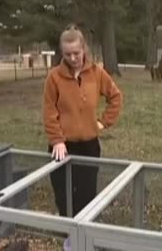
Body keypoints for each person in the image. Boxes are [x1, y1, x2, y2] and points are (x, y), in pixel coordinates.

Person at [42, 24, 123, 219]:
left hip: (89, 146)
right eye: (68, 54)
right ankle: (69, 239)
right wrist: (57, 140)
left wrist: (103, 122)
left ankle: (85, 238)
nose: (72, 58)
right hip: (62, 147)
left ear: (84, 49)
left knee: (86, 197)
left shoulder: (96, 73)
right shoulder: (54, 78)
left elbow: (116, 97)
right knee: (64, 197)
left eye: (76, 53)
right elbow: (49, 111)